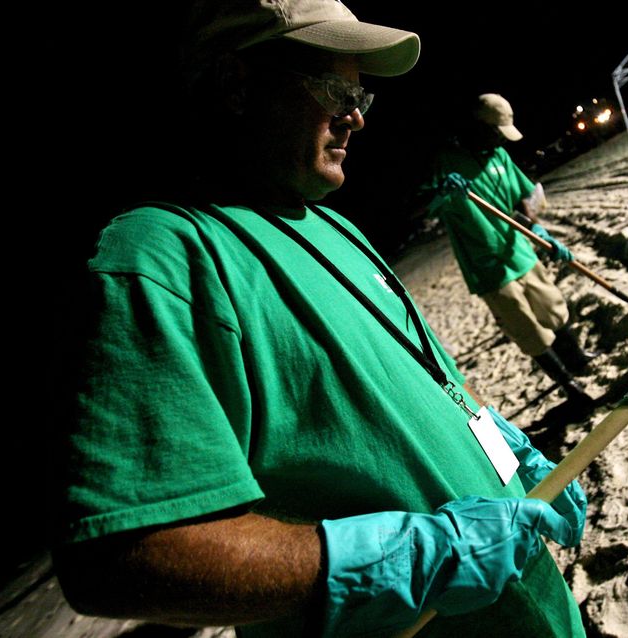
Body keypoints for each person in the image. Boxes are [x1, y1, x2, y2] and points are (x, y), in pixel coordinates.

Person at [50, 2, 587, 636]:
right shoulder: (161, 257)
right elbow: (122, 557)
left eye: (361, 94)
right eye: (336, 88)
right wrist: (407, 558)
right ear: (235, 84)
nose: (356, 114)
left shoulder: (332, 223)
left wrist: (503, 447)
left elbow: (435, 385)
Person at [422, 93, 597, 414]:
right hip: (489, 267)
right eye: (495, 131)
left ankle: (577, 357)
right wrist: (440, 192)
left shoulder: (500, 156)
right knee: (528, 330)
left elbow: (526, 196)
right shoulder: (445, 161)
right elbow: (424, 210)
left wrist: (534, 225)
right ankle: (571, 387)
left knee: (553, 309)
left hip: (520, 251)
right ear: (477, 126)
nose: (500, 138)